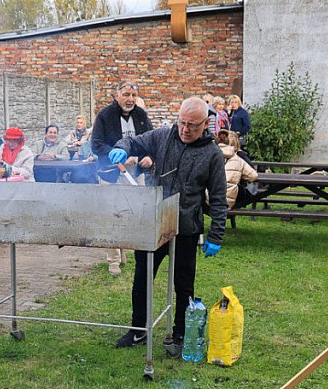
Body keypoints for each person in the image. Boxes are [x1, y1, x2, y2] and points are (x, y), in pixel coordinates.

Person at [108, 97, 227, 349]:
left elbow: (218, 198)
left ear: (205, 123)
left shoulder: (212, 154)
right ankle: (138, 329)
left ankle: (181, 333)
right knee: (142, 278)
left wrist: (216, 236)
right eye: (182, 122)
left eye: (193, 126)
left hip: (186, 227)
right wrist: (122, 147)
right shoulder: (162, 137)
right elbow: (133, 141)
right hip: (154, 222)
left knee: (184, 284)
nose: (185, 129)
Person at [91, 80, 154, 275]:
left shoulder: (141, 116)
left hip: (136, 174)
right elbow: (97, 145)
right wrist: (117, 156)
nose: (130, 99)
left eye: (133, 95)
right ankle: (113, 260)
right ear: (117, 95)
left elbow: (152, 141)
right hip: (111, 173)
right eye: (126, 94)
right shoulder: (105, 115)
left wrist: (148, 157)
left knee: (134, 213)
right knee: (112, 214)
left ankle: (126, 249)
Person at [216, 129, 258, 209]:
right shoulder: (239, 159)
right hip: (228, 202)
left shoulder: (211, 155)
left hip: (209, 199)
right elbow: (254, 176)